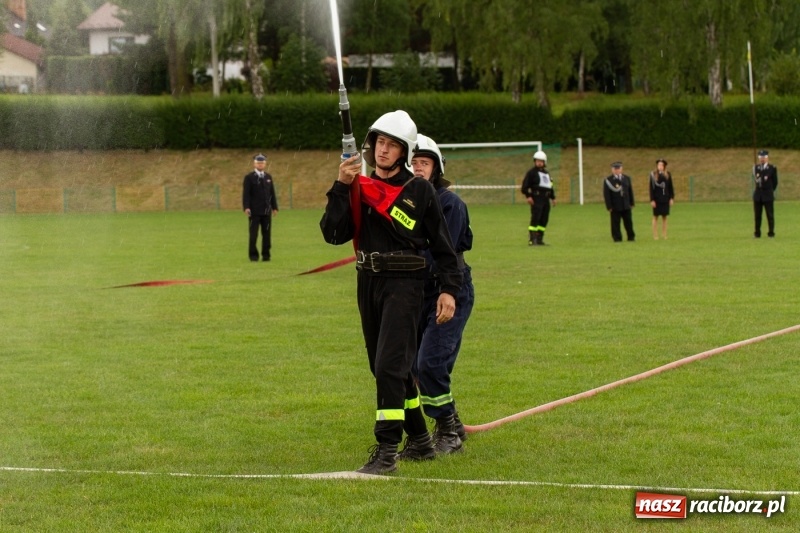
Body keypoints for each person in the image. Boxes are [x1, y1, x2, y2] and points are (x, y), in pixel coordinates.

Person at [319, 111, 462, 475]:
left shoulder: (419, 190)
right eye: (379, 143)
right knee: (386, 369)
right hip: (367, 282)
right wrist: (341, 185)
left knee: (388, 366)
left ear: (404, 152)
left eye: (392, 145)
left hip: (406, 286)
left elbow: (445, 247)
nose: (383, 150)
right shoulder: (358, 186)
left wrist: (448, 290)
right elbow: (332, 233)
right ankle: (420, 442)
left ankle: (385, 451)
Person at [397, 134, 474, 460]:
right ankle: (452, 422)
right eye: (413, 163)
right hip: (417, 293)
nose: (417, 169)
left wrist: (447, 291)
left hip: (448, 292)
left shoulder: (450, 204)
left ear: (436, 167)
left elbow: (445, 254)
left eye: (423, 163)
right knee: (413, 367)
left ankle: (447, 429)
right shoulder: (406, 205)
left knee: (429, 363)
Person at [242, 154, 278, 261]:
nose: (260, 164)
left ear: (265, 164)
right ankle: (253, 256)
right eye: (258, 163)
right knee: (253, 235)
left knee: (267, 235)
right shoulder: (249, 178)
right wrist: (246, 207)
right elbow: (246, 194)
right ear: (254, 164)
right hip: (254, 211)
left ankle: (266, 255)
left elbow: (272, 193)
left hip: (266, 211)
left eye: (262, 163)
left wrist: (274, 207)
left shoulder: (268, 177)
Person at [521, 150, 556, 245]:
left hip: (545, 199)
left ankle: (539, 239)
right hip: (536, 198)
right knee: (536, 217)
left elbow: (550, 186)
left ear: (544, 162)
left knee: (544, 219)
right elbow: (525, 186)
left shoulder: (547, 174)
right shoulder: (531, 173)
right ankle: (532, 239)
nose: (539, 163)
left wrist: (553, 198)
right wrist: (528, 196)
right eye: (537, 161)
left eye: (541, 161)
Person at [603, 161, 635, 242]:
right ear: (612, 170)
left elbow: (630, 191)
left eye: (618, 168)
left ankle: (631, 237)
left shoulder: (626, 178)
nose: (617, 170)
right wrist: (609, 206)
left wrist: (632, 203)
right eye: (615, 169)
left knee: (629, 223)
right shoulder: (608, 180)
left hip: (626, 205)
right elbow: (607, 195)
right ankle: (617, 238)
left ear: (621, 169)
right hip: (615, 206)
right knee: (615, 224)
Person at [752, 150, 778, 238]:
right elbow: (757, 179)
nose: (762, 159)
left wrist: (770, 190)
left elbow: (775, 182)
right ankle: (757, 233)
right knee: (757, 216)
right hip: (758, 196)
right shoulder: (756, 168)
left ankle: (771, 233)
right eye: (760, 158)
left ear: (767, 158)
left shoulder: (772, 168)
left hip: (768, 195)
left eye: (764, 157)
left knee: (770, 215)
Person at [649, 159, 675, 240]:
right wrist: (652, 199)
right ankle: (655, 235)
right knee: (655, 217)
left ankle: (664, 234)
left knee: (665, 217)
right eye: (659, 165)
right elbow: (651, 188)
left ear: (664, 166)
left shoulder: (668, 174)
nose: (660, 166)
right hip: (656, 199)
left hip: (665, 198)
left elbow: (670, 187)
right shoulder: (653, 175)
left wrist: (671, 198)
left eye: (661, 165)